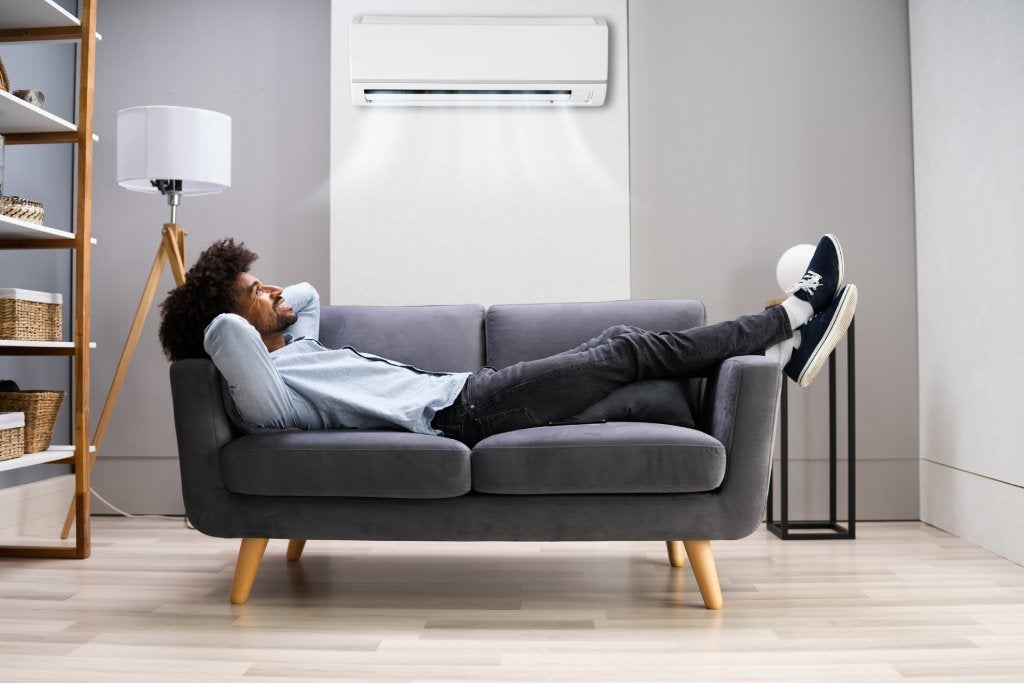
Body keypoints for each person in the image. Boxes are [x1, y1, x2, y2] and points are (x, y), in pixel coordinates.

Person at [158, 235, 857, 447]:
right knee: (619, 349)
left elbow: (303, 297)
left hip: (469, 397)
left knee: (645, 386)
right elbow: (220, 333)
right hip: (463, 412)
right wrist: (214, 302)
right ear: (235, 325)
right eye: (256, 291)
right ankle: (792, 315)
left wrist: (251, 294)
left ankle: (777, 355)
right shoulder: (275, 397)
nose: (275, 290)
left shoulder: (296, 347)